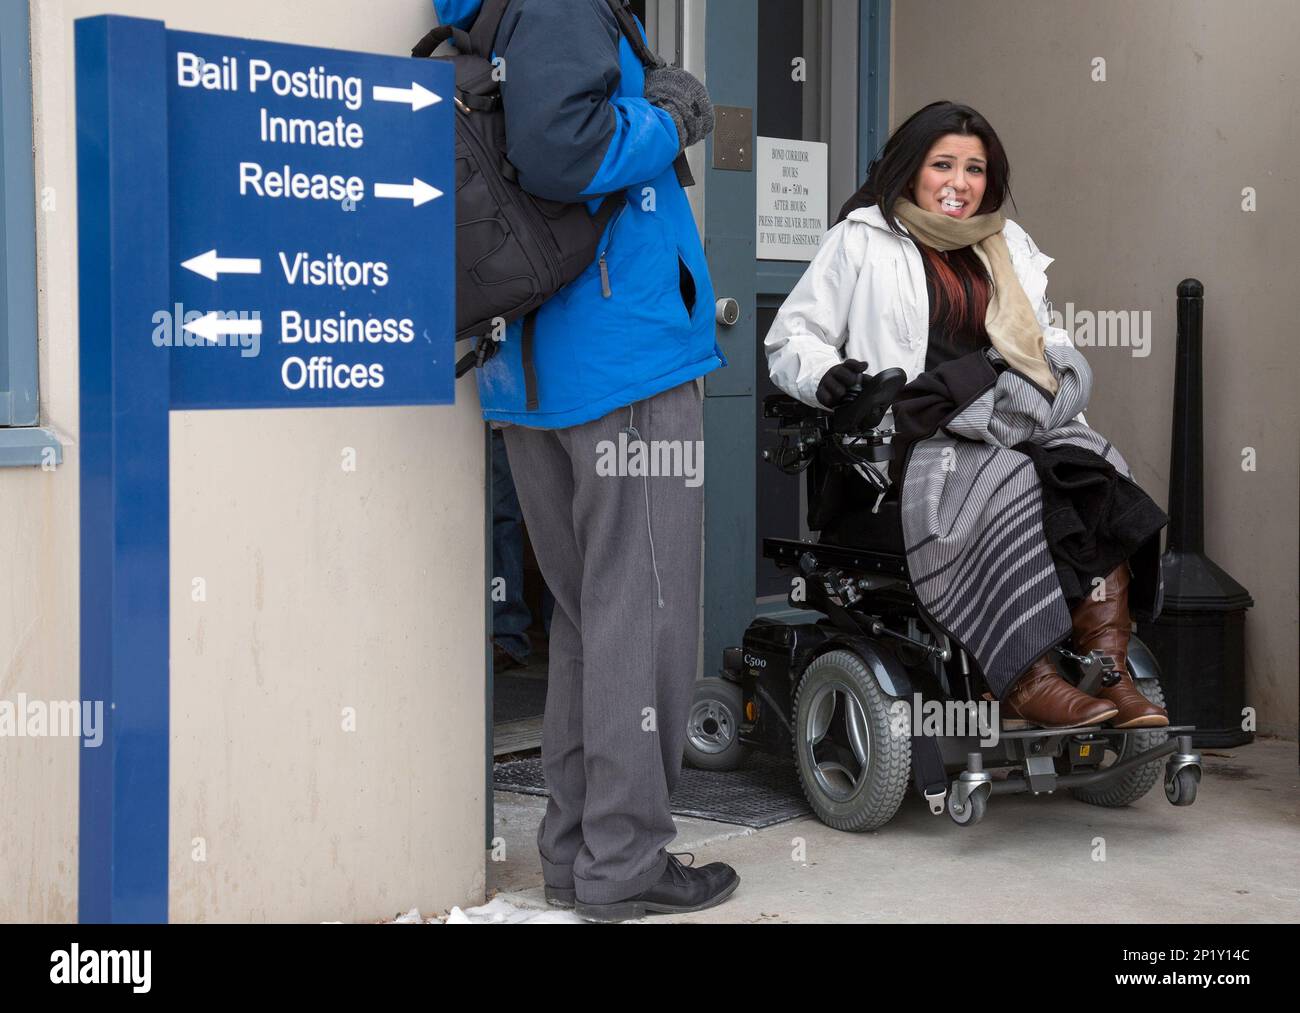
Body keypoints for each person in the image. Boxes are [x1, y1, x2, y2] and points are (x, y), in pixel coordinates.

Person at [431, 0, 738, 921]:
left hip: (539, 372)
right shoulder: (563, 4)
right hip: (623, 364)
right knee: (641, 620)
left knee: (591, 619)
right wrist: (673, 115)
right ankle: (627, 861)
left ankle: (577, 852)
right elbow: (565, 151)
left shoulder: (495, 13)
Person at [765, 100, 1168, 730]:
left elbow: (1041, 334)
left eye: (975, 169)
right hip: (915, 435)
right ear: (910, 170)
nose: (959, 183)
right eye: (943, 164)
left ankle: (1106, 666)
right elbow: (792, 339)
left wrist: (1059, 358)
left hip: (1009, 420)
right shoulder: (865, 237)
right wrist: (825, 375)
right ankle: (1026, 675)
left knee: (1096, 471)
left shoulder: (1008, 244)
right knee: (1007, 478)